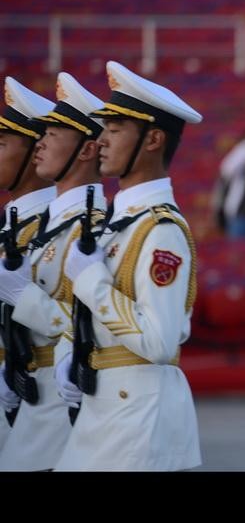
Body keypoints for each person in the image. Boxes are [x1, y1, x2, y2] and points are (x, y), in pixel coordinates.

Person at [54, 60, 202, 471]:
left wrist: (92, 282)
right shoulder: (120, 223)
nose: (101, 140)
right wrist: (70, 350)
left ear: (153, 139)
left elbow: (159, 342)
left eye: (115, 130)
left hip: (138, 416)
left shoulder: (161, 230)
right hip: (105, 408)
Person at [0, 73, 109, 471]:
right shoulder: (41, 226)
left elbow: (90, 326)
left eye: (51, 135)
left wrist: (22, 297)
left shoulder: (88, 227)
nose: (42, 144)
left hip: (55, 402)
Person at [0, 78, 56, 455]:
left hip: (38, 398)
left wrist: (21, 295)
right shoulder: (11, 224)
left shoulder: (55, 229)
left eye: (1, 144)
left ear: (36, 153)